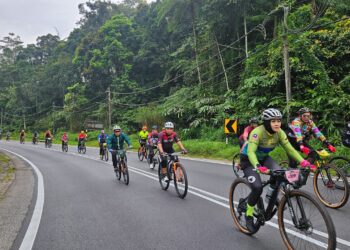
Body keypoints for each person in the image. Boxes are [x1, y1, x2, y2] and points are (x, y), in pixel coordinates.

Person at [240, 108, 315, 233]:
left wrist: (303, 162)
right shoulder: (257, 132)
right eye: (273, 121)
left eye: (279, 121)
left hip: (264, 158)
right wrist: (258, 167)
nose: (277, 123)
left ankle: (270, 198)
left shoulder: (279, 132)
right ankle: (248, 214)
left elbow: (290, 149)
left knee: (281, 174)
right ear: (266, 122)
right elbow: (251, 152)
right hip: (248, 160)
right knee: (257, 187)